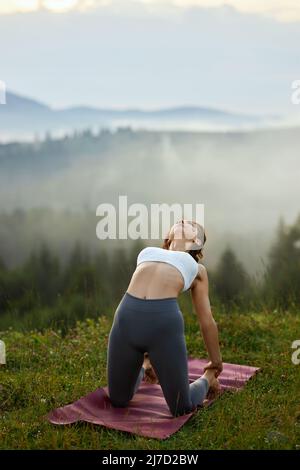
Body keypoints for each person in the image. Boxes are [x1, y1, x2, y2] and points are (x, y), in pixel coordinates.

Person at [106, 219, 222, 417]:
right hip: (125, 319)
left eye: (191, 225)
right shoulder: (148, 252)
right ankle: (144, 366)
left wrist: (216, 363)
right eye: (179, 221)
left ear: (196, 240)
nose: (183, 221)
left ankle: (207, 379)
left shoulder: (197, 269)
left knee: (181, 407)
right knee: (118, 400)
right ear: (168, 237)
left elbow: (206, 321)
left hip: (162, 326)